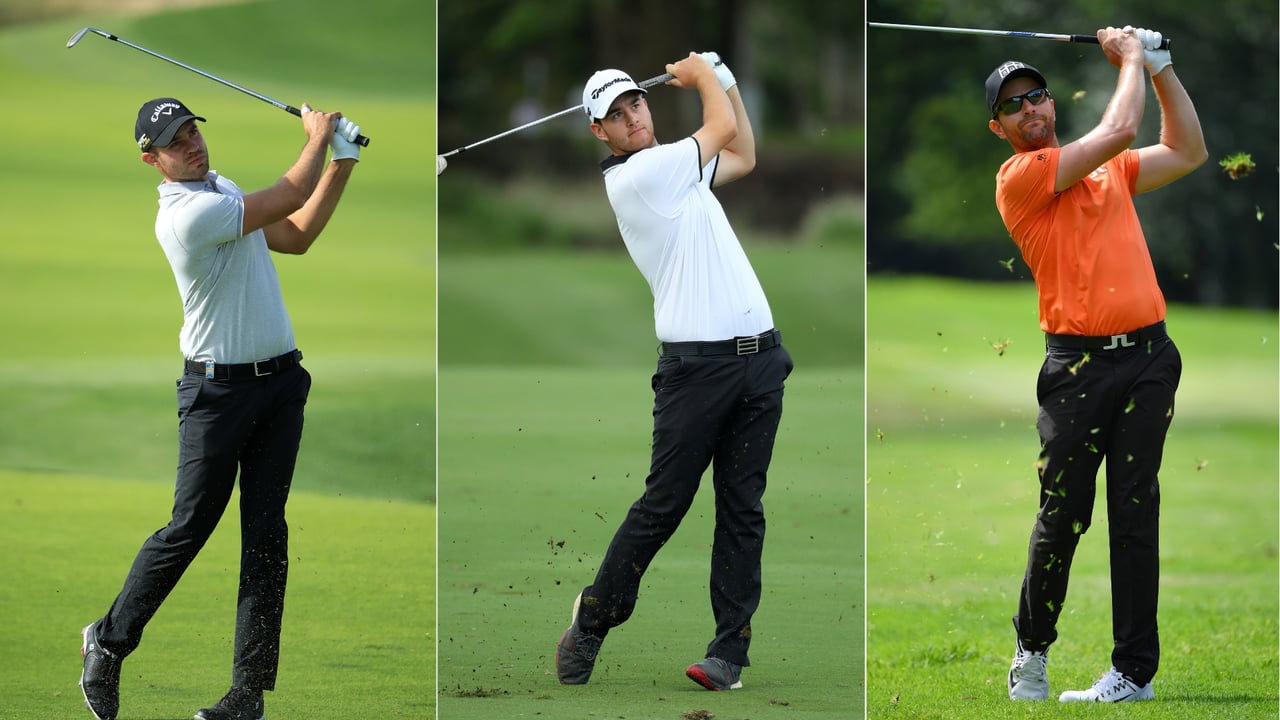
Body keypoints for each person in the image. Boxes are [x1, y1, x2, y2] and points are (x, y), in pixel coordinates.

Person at [77, 97, 363, 720]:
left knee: (266, 535)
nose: (191, 145)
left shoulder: (220, 187)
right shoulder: (187, 216)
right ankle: (109, 641)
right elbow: (287, 194)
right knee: (190, 526)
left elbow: (296, 235)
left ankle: (247, 694)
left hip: (281, 384)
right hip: (217, 394)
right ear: (151, 160)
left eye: (192, 131)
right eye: (175, 142)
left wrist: (340, 161)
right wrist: (317, 137)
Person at [553, 52, 793, 692]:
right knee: (664, 505)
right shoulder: (640, 176)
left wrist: (729, 83)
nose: (633, 117)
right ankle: (593, 619)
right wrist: (705, 76)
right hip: (696, 371)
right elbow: (717, 131)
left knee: (743, 508)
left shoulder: (677, 172)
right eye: (616, 114)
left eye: (637, 103)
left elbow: (740, 155)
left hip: (759, 362)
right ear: (598, 133)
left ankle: (728, 655)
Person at [988, 26, 1207, 703]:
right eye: (1015, 105)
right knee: (1064, 514)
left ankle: (1133, 673)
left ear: (1053, 105)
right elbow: (1118, 128)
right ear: (998, 127)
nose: (1032, 109)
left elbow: (1188, 150)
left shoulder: (1108, 170)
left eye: (1039, 97)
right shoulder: (1020, 177)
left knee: (1136, 514)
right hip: (1076, 370)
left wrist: (1162, 68)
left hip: (1148, 358)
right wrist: (1133, 58)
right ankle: (1032, 651)